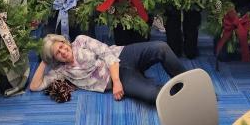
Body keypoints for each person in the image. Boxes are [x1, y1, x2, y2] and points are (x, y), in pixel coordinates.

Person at [29, 34, 186, 105]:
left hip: (123, 56)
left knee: (161, 47)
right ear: (54, 58)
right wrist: (44, 61)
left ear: (65, 42)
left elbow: (106, 52)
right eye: (57, 53)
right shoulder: (61, 71)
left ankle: (187, 83)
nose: (63, 51)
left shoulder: (80, 41)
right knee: (154, 96)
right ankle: (184, 98)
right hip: (123, 78)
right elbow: (35, 86)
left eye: (62, 46)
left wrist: (116, 82)